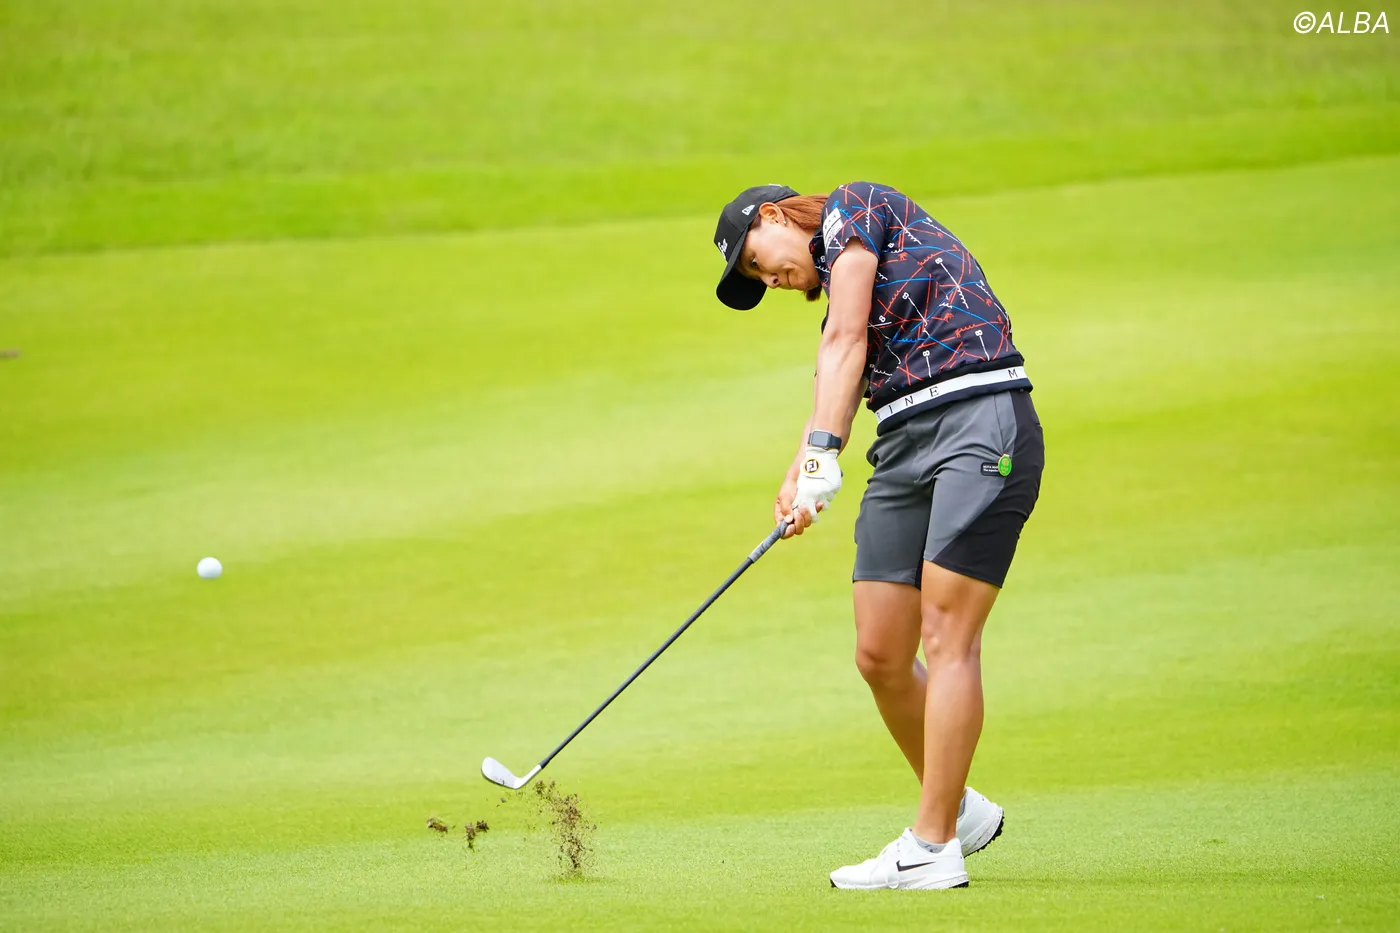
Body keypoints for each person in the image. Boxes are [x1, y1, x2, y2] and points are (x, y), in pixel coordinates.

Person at [712, 183, 1044, 890]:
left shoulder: (854, 207)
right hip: (902, 445)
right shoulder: (839, 297)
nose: (768, 280)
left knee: (946, 635)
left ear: (773, 215)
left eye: (756, 261)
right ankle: (959, 809)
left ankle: (931, 846)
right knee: (880, 652)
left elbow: (846, 339)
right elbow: (837, 368)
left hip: (981, 419)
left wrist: (820, 454)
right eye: (755, 279)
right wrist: (800, 473)